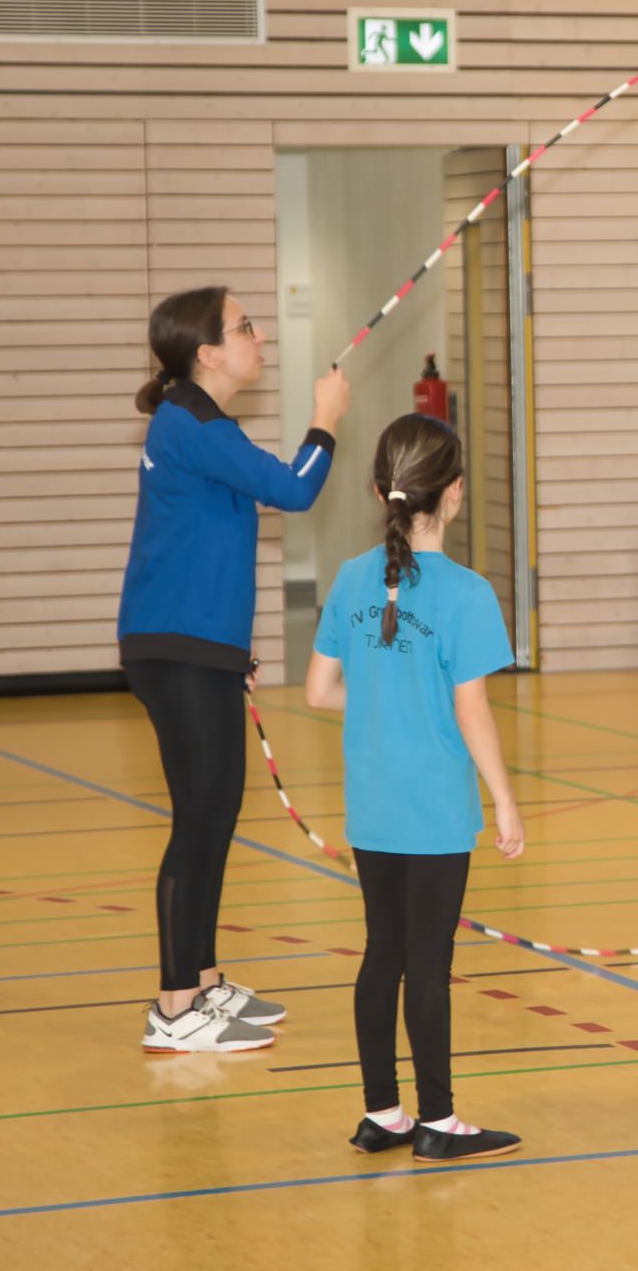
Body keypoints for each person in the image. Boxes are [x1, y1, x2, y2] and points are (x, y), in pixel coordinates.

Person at [122, 286, 350, 1053]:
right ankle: (175, 1007)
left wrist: (229, 651)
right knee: (200, 820)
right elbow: (294, 487)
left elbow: (202, 548)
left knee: (214, 817)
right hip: (177, 650)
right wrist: (326, 417)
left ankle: (203, 980)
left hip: (197, 648)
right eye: (245, 327)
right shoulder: (191, 423)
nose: (260, 337)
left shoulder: (197, 424)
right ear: (207, 353)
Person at [305, 413, 526, 1162]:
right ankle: (438, 1120)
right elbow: (471, 708)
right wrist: (504, 798)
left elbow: (319, 692)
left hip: (371, 806)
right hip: (434, 809)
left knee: (383, 953)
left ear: (379, 491)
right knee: (428, 963)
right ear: (455, 492)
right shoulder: (467, 594)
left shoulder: (350, 578)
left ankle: (383, 1113)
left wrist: (379, 700)